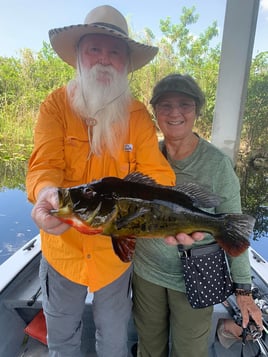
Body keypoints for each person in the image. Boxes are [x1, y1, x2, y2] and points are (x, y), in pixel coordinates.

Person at [26, 6, 178, 357]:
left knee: (112, 341)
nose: (104, 60)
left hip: (114, 255)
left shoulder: (137, 113)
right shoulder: (54, 106)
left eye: (115, 52)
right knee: (61, 340)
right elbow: (44, 165)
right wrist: (47, 194)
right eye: (95, 49)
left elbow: (157, 174)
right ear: (79, 55)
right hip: (63, 251)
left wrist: (168, 210)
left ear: (126, 63)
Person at [132, 74, 263, 357]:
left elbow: (234, 231)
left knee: (189, 352)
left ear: (196, 111)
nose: (175, 112)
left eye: (184, 104)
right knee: (148, 348)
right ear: (155, 112)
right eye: (165, 105)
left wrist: (243, 291)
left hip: (197, 275)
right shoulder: (146, 157)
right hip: (147, 272)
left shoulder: (217, 165)